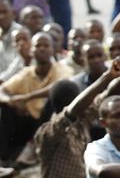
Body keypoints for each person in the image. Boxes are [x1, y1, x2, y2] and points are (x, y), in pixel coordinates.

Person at [0, 32, 73, 167]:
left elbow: (57, 87)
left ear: (53, 50)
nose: (42, 49)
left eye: (46, 45)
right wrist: (12, 101)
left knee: (54, 98)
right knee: (5, 107)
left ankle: (34, 148)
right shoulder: (27, 73)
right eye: (38, 45)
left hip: (50, 124)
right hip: (29, 122)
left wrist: (25, 98)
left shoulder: (62, 69)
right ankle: (4, 157)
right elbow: (2, 91)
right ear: (31, 50)